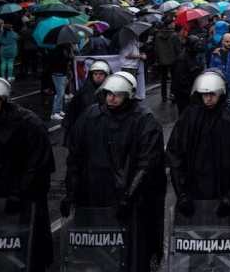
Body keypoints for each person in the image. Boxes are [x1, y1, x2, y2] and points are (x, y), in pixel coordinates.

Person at [62, 71, 167, 270]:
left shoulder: (144, 120)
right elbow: (75, 156)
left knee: (131, 249)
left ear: (128, 95)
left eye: (117, 94)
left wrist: (128, 196)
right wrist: (71, 191)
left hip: (129, 200)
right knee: (96, 247)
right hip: (94, 194)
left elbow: (147, 163)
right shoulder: (91, 116)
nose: (112, 98)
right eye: (109, 93)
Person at [167, 70, 230, 238]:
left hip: (226, 191)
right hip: (196, 193)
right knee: (197, 244)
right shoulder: (190, 116)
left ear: (221, 92)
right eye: (204, 94)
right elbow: (175, 155)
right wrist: (182, 194)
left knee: (224, 244)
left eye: (212, 94)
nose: (208, 98)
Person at [0, 77, 55, 271]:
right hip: (0, 193)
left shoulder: (29, 123)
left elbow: (39, 164)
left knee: (30, 241)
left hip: (25, 195)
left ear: (2, 100)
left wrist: (20, 191)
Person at [62, 60, 111, 145]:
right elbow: (72, 113)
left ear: (106, 75)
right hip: (87, 131)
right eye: (95, 74)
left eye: (101, 74)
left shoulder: (111, 91)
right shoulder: (83, 92)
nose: (98, 76)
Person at [172, 35, 205, 115]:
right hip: (184, 95)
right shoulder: (182, 59)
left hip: (191, 92)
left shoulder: (193, 56)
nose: (198, 47)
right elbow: (180, 80)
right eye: (196, 45)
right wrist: (191, 92)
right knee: (185, 115)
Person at [154, 19, 181, 102]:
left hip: (162, 60)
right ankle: (172, 95)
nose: (174, 24)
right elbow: (178, 49)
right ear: (169, 24)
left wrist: (158, 58)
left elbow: (156, 49)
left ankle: (164, 96)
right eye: (172, 23)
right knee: (174, 78)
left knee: (163, 79)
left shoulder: (158, 35)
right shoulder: (174, 35)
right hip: (173, 60)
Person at [48, 42, 74, 121]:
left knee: (61, 93)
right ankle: (54, 113)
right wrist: (68, 57)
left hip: (62, 73)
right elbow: (60, 61)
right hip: (58, 73)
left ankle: (59, 110)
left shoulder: (63, 49)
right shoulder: (58, 50)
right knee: (60, 93)